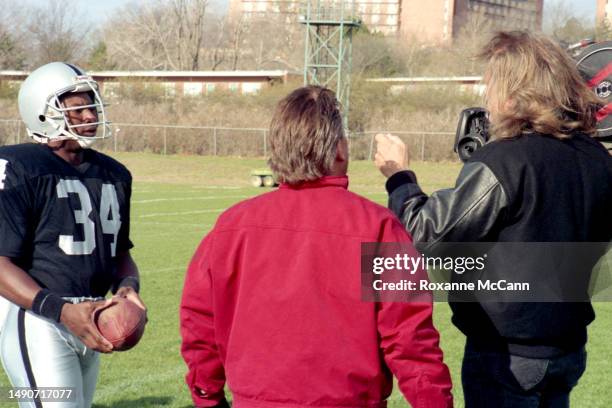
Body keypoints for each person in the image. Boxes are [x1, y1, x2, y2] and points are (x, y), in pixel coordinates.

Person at [375, 31, 612, 407]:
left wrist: (399, 176)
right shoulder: (598, 159)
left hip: (508, 354)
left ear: (515, 90)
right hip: (567, 350)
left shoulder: (507, 160)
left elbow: (423, 234)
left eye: (493, 84)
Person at [180, 85, 453, 408]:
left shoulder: (231, 226)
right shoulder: (379, 227)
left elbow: (199, 326)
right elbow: (410, 339)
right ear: (340, 150)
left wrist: (207, 395)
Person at [0, 62, 145, 408]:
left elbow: (120, 252)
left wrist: (128, 288)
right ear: (42, 114)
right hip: (39, 321)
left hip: (91, 317)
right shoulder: (20, 167)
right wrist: (62, 312)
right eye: (78, 108)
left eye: (91, 105)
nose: (90, 114)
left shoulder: (113, 173)